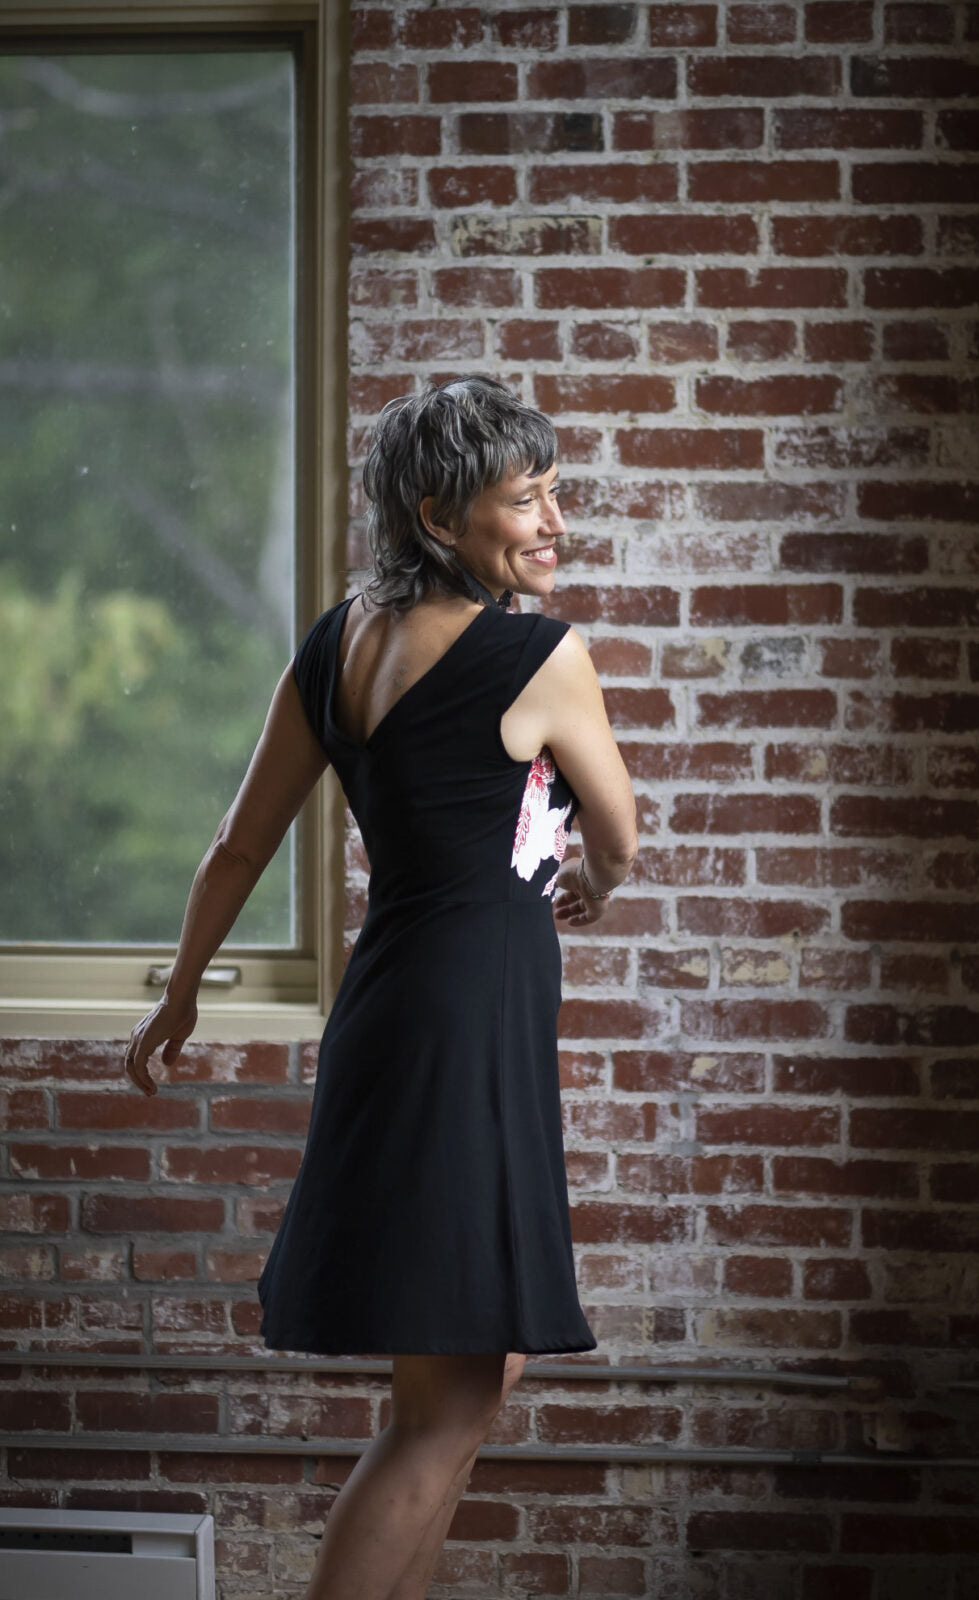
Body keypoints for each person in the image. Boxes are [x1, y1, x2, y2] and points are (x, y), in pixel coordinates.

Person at [123, 376, 638, 1600]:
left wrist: (181, 987)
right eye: (525, 499)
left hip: (393, 1003)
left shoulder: (337, 640)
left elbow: (237, 845)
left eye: (555, 492)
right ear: (436, 514)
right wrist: (594, 881)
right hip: (469, 1017)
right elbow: (616, 829)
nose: (554, 520)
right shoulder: (538, 653)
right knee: (448, 1398)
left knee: (470, 1370)